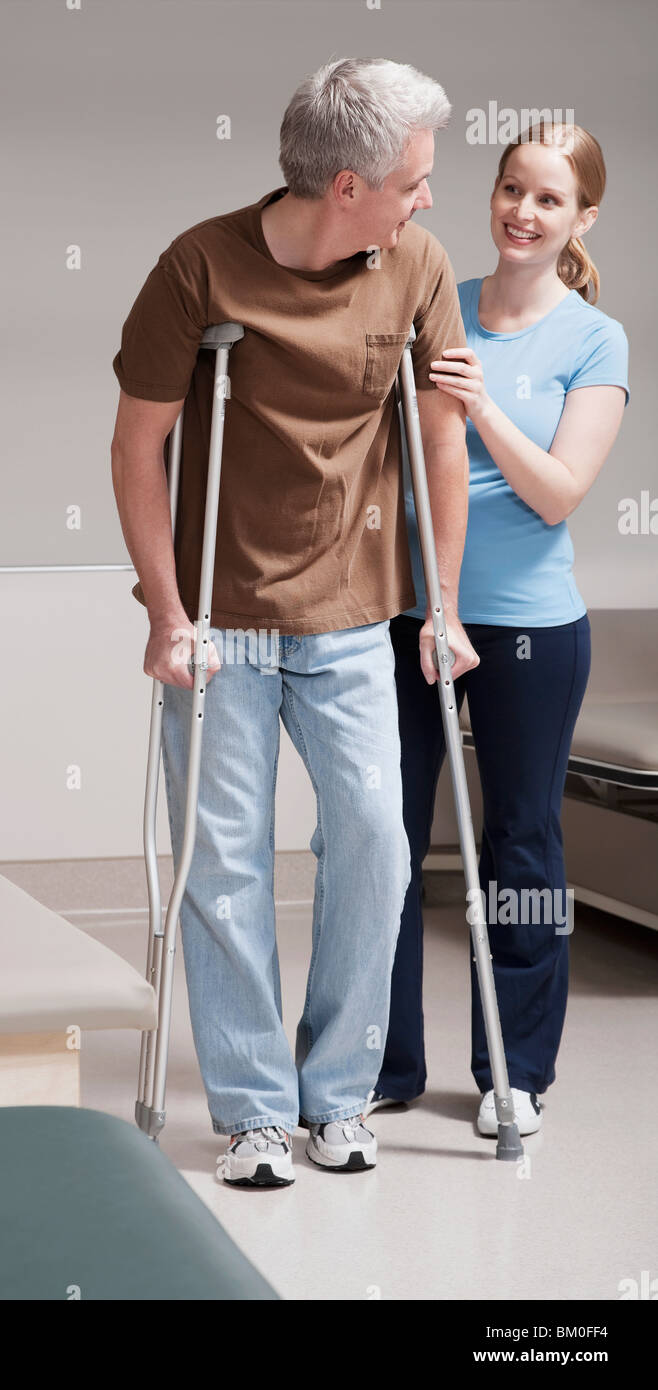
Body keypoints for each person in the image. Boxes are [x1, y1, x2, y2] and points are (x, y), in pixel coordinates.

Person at [110, 57, 478, 1187]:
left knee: (372, 840)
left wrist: (444, 604)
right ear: (347, 188)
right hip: (219, 618)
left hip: (350, 612)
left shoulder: (412, 262)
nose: (428, 197)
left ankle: (338, 1094)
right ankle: (255, 1112)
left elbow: (437, 442)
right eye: (413, 179)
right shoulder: (198, 266)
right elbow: (136, 449)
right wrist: (167, 612)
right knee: (221, 861)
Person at [367, 123, 629, 1138]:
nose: (521, 211)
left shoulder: (590, 339)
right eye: (510, 189)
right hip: (405, 609)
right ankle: (377, 1063)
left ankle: (513, 1070)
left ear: (580, 219)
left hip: (527, 627)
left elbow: (557, 492)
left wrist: (478, 408)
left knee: (520, 847)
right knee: (378, 838)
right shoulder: (435, 298)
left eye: (548, 199)